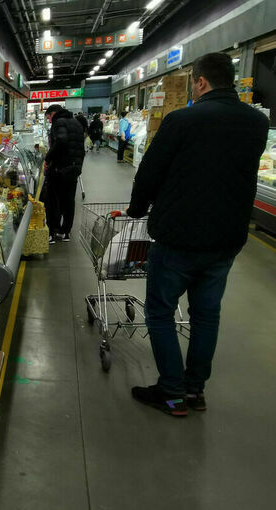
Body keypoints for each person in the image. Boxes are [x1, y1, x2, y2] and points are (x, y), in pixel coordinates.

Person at [124, 53, 269, 416]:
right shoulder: (256, 122)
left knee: (160, 312)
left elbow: (150, 172)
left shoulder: (182, 120)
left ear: (201, 82)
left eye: (192, 82)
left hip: (179, 236)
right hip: (226, 239)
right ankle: (194, 391)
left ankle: (172, 393)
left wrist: (137, 208)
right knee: (206, 315)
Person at [44, 104, 85, 243]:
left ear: (53, 113)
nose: (49, 121)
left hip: (60, 168)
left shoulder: (59, 122)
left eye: (49, 117)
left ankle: (52, 232)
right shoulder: (76, 123)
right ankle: (66, 232)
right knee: (68, 201)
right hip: (74, 168)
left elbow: (61, 141)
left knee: (53, 200)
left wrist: (48, 158)